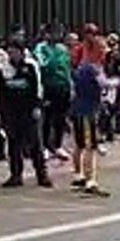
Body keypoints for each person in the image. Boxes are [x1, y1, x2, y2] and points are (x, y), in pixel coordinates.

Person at [0, 36, 51, 189]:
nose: (12, 54)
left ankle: (42, 175)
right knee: (13, 144)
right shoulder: (4, 69)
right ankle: (15, 175)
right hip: (11, 112)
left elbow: (38, 88)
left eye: (14, 51)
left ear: (21, 52)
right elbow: (0, 92)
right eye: (9, 51)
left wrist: (37, 107)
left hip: (29, 110)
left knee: (35, 143)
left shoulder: (31, 66)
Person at [70, 36, 109, 196]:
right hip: (87, 111)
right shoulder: (91, 68)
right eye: (102, 50)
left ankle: (78, 174)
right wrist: (118, 81)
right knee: (89, 146)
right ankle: (90, 179)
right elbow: (104, 83)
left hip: (80, 108)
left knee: (79, 144)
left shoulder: (83, 67)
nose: (104, 54)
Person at [34, 24, 73, 160]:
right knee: (47, 117)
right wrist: (54, 57)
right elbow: (43, 65)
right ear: (47, 34)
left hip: (63, 87)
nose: (59, 36)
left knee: (60, 118)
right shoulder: (41, 48)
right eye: (56, 33)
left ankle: (58, 145)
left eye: (60, 33)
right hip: (48, 87)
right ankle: (44, 146)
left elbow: (67, 68)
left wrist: (70, 85)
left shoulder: (62, 49)